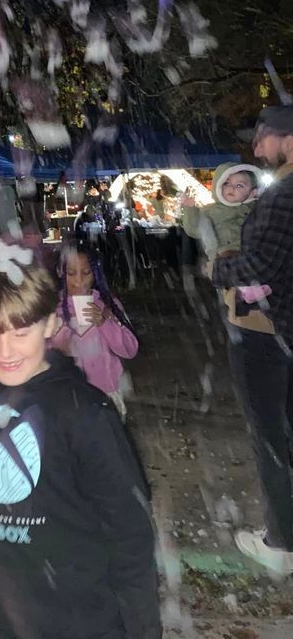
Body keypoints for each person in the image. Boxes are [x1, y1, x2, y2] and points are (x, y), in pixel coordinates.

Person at [0, 254, 160, 639]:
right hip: (4, 609)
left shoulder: (86, 412)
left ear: (50, 323)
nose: (5, 352)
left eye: (20, 333)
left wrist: (142, 626)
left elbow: (130, 526)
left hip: (83, 614)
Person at [212, 106, 293, 574]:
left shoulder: (282, 195)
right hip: (281, 331)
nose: (257, 149)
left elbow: (259, 266)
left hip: (266, 336)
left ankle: (281, 543)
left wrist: (217, 269)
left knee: (268, 436)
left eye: (261, 139)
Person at [181, 163, 272, 334]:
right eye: (226, 183)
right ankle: (245, 290)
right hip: (225, 251)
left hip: (250, 251)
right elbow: (194, 228)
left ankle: (249, 290)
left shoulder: (256, 208)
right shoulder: (211, 211)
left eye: (240, 185)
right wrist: (189, 208)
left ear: (252, 191)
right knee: (230, 264)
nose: (231, 188)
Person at [50, 244, 138, 418]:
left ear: (95, 273)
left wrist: (104, 323)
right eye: (71, 273)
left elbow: (130, 349)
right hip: (66, 396)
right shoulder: (52, 309)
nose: (79, 281)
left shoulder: (108, 306)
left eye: (86, 272)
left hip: (105, 394)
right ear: (61, 272)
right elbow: (40, 355)